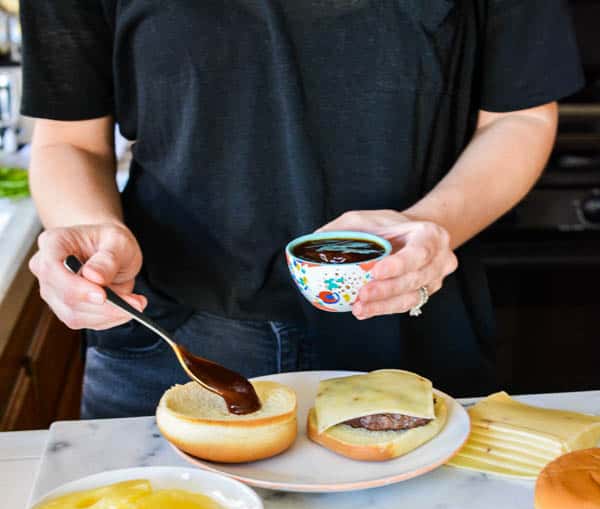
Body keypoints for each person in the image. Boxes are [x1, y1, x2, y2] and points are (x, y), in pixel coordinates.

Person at [20, 1, 583, 418]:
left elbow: (521, 115)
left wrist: (435, 222)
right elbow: (69, 138)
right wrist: (87, 229)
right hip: (173, 341)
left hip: (409, 328)